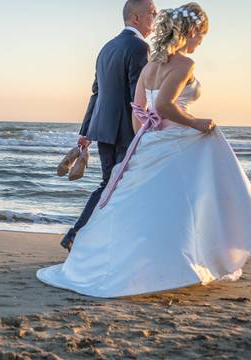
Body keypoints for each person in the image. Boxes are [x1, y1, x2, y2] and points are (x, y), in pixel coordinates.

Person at [38, 3, 251, 298]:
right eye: (200, 35)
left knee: (125, 194)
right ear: (188, 31)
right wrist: (196, 123)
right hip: (154, 134)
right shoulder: (166, 58)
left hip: (125, 132)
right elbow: (162, 105)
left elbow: (125, 104)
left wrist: (111, 134)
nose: (201, 41)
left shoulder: (119, 53)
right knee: (167, 197)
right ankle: (182, 254)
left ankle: (89, 242)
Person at [60, 0, 158, 252]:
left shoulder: (106, 48)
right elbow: (137, 98)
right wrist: (147, 130)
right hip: (126, 130)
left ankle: (83, 237)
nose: (155, 18)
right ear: (135, 18)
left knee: (109, 185)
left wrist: (86, 131)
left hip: (103, 128)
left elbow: (96, 93)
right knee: (123, 186)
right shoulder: (139, 47)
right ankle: (81, 235)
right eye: (152, 13)